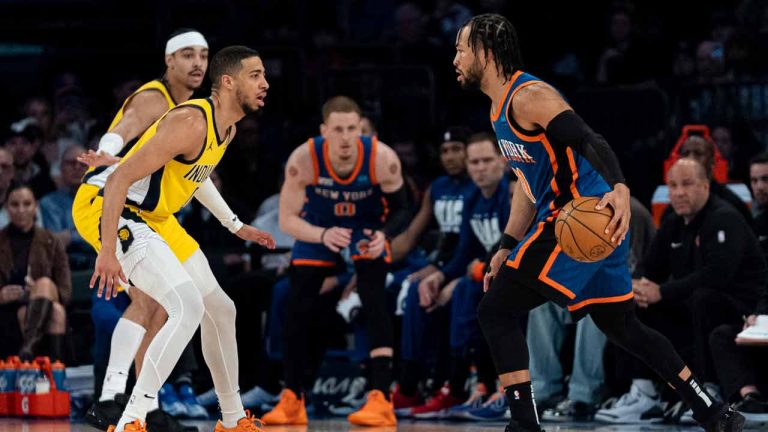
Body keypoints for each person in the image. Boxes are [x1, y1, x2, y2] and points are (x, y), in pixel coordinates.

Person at [454, 13, 742, 432]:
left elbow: (591, 139)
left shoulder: (530, 96)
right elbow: (526, 182)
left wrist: (620, 187)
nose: (456, 57)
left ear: (485, 51)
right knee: (623, 325)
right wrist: (505, 244)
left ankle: (523, 425)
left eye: (461, 48)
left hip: (579, 216)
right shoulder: (497, 108)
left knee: (495, 310)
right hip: (584, 223)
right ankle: (711, 412)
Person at [87, 45, 274, 432]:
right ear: (227, 81)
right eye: (255, 75)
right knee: (185, 304)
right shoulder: (190, 120)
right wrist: (107, 250)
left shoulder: (227, 127)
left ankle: (233, 418)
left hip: (157, 217)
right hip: (117, 209)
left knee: (221, 309)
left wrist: (235, 225)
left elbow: (196, 174)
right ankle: (130, 419)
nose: (265, 83)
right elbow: (118, 180)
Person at [74, 29, 218, 432]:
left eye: (204, 55)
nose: (197, 63)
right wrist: (108, 152)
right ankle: (111, 401)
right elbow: (125, 125)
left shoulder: (194, 110)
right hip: (104, 200)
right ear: (169, 60)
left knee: (162, 302)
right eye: (187, 55)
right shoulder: (157, 98)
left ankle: (144, 405)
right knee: (149, 298)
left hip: (144, 211)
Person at [265, 96, 411, 427]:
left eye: (352, 129)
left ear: (361, 129)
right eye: (338, 130)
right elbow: (287, 220)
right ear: (323, 130)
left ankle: (380, 398)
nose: (346, 137)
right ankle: (292, 397)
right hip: (318, 226)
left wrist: (384, 236)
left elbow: (404, 208)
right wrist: (321, 235)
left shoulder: (381, 158)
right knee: (296, 301)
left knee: (374, 301)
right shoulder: (303, 159)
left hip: (366, 227)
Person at [390, 126, 473, 414]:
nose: (450, 157)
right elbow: (412, 233)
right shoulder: (437, 188)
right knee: (412, 289)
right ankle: (410, 383)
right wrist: (376, 256)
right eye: (445, 151)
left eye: (457, 150)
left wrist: (443, 272)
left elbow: (471, 245)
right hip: (444, 262)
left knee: (445, 294)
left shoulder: (479, 185)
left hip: (465, 263)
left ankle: (447, 383)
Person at [0, 184, 70, 361]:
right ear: (7, 207)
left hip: (43, 300)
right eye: (15, 205)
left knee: (44, 285)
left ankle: (28, 349)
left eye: (27, 204)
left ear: (36, 206)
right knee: (56, 313)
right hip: (9, 308)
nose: (21, 210)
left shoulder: (51, 241)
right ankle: (53, 372)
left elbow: (65, 290)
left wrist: (38, 293)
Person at [40, 144, 93, 269]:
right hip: (64, 266)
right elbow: (57, 242)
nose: (77, 168)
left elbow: (103, 237)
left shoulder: (102, 200)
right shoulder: (48, 202)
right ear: (61, 167)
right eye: (71, 163)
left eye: (83, 164)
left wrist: (70, 236)